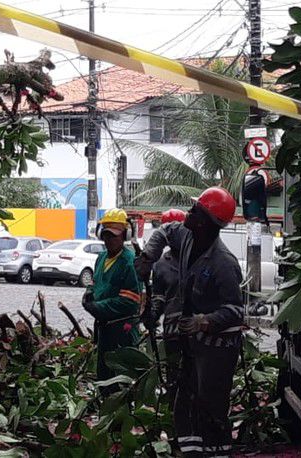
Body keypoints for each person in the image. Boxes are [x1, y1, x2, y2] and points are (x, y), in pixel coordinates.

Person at [136, 188, 244, 458]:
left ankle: (216, 452)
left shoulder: (223, 263)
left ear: (206, 221)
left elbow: (235, 311)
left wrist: (204, 322)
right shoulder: (185, 236)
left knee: (211, 405)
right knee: (185, 400)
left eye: (196, 210)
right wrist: (149, 256)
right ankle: (190, 451)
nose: (190, 212)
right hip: (190, 344)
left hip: (218, 348)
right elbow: (164, 231)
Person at [82, 208, 144, 393]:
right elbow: (95, 283)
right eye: (107, 235)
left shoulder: (129, 261)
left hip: (122, 329)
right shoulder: (101, 258)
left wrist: (98, 307)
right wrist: (89, 294)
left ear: (125, 235)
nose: (110, 240)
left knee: (120, 379)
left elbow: (130, 301)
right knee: (103, 374)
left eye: (115, 236)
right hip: (104, 327)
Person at [145, 208, 187, 405]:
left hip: (198, 333)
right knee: (174, 379)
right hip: (173, 333)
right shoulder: (161, 265)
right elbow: (159, 297)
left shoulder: (197, 257)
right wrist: (151, 314)